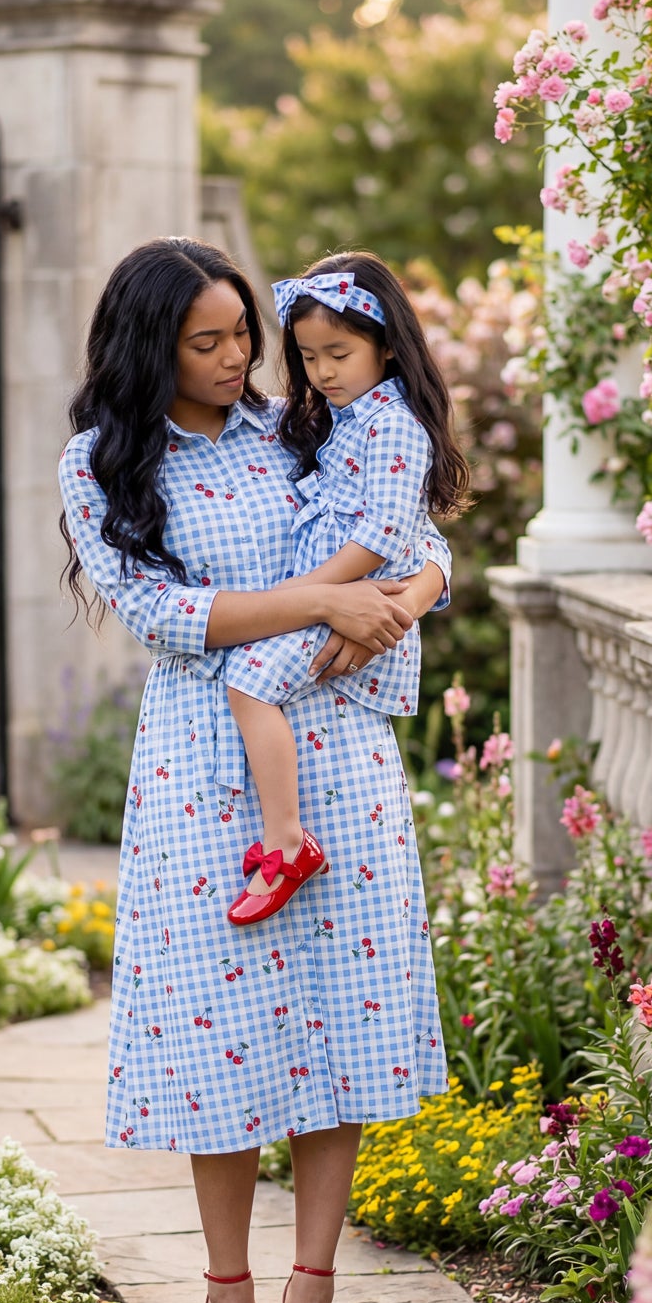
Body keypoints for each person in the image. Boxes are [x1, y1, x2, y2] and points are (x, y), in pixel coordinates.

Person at [58, 237, 450, 1303]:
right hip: (200, 770)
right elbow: (160, 611)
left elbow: (415, 531)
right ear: (150, 346)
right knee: (214, 1038)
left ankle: (313, 1287)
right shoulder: (102, 465)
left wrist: (408, 594)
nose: (240, 360)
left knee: (342, 1030)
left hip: (340, 757)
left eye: (244, 335)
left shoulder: (301, 424)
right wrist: (325, 597)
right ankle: (226, 1292)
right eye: (208, 342)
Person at [223, 252, 469, 925]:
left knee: (248, 682)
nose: (323, 372)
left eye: (339, 352)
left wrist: (309, 593)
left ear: (387, 346)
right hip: (337, 602)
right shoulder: (342, 417)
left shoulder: (391, 424)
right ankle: (285, 837)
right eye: (307, 356)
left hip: (357, 602)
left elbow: (390, 534)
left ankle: (285, 842)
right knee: (250, 684)